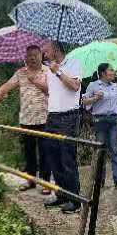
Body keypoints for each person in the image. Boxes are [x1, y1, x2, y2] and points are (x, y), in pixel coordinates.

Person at [0, 44, 50, 190]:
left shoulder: (48, 71)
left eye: (36, 54)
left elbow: (50, 89)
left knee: (45, 151)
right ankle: (30, 180)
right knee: (28, 152)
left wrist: (34, 80)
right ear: (25, 57)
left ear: (41, 55)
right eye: (30, 55)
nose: (33, 57)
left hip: (44, 118)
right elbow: (7, 86)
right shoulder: (20, 73)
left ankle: (46, 183)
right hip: (26, 119)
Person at [36, 41, 84, 214]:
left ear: (56, 49)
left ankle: (75, 200)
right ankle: (62, 195)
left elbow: (74, 86)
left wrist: (58, 71)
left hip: (68, 116)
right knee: (53, 157)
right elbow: (52, 90)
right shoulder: (49, 68)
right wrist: (36, 82)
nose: (44, 54)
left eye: (46, 50)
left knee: (67, 158)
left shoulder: (73, 62)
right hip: (53, 116)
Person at [83, 63, 117, 188]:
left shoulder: (115, 86)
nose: (113, 72)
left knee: (115, 150)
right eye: (111, 70)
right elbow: (84, 102)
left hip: (114, 121)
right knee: (100, 151)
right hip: (100, 121)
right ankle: (100, 181)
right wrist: (95, 98)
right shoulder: (93, 85)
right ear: (102, 73)